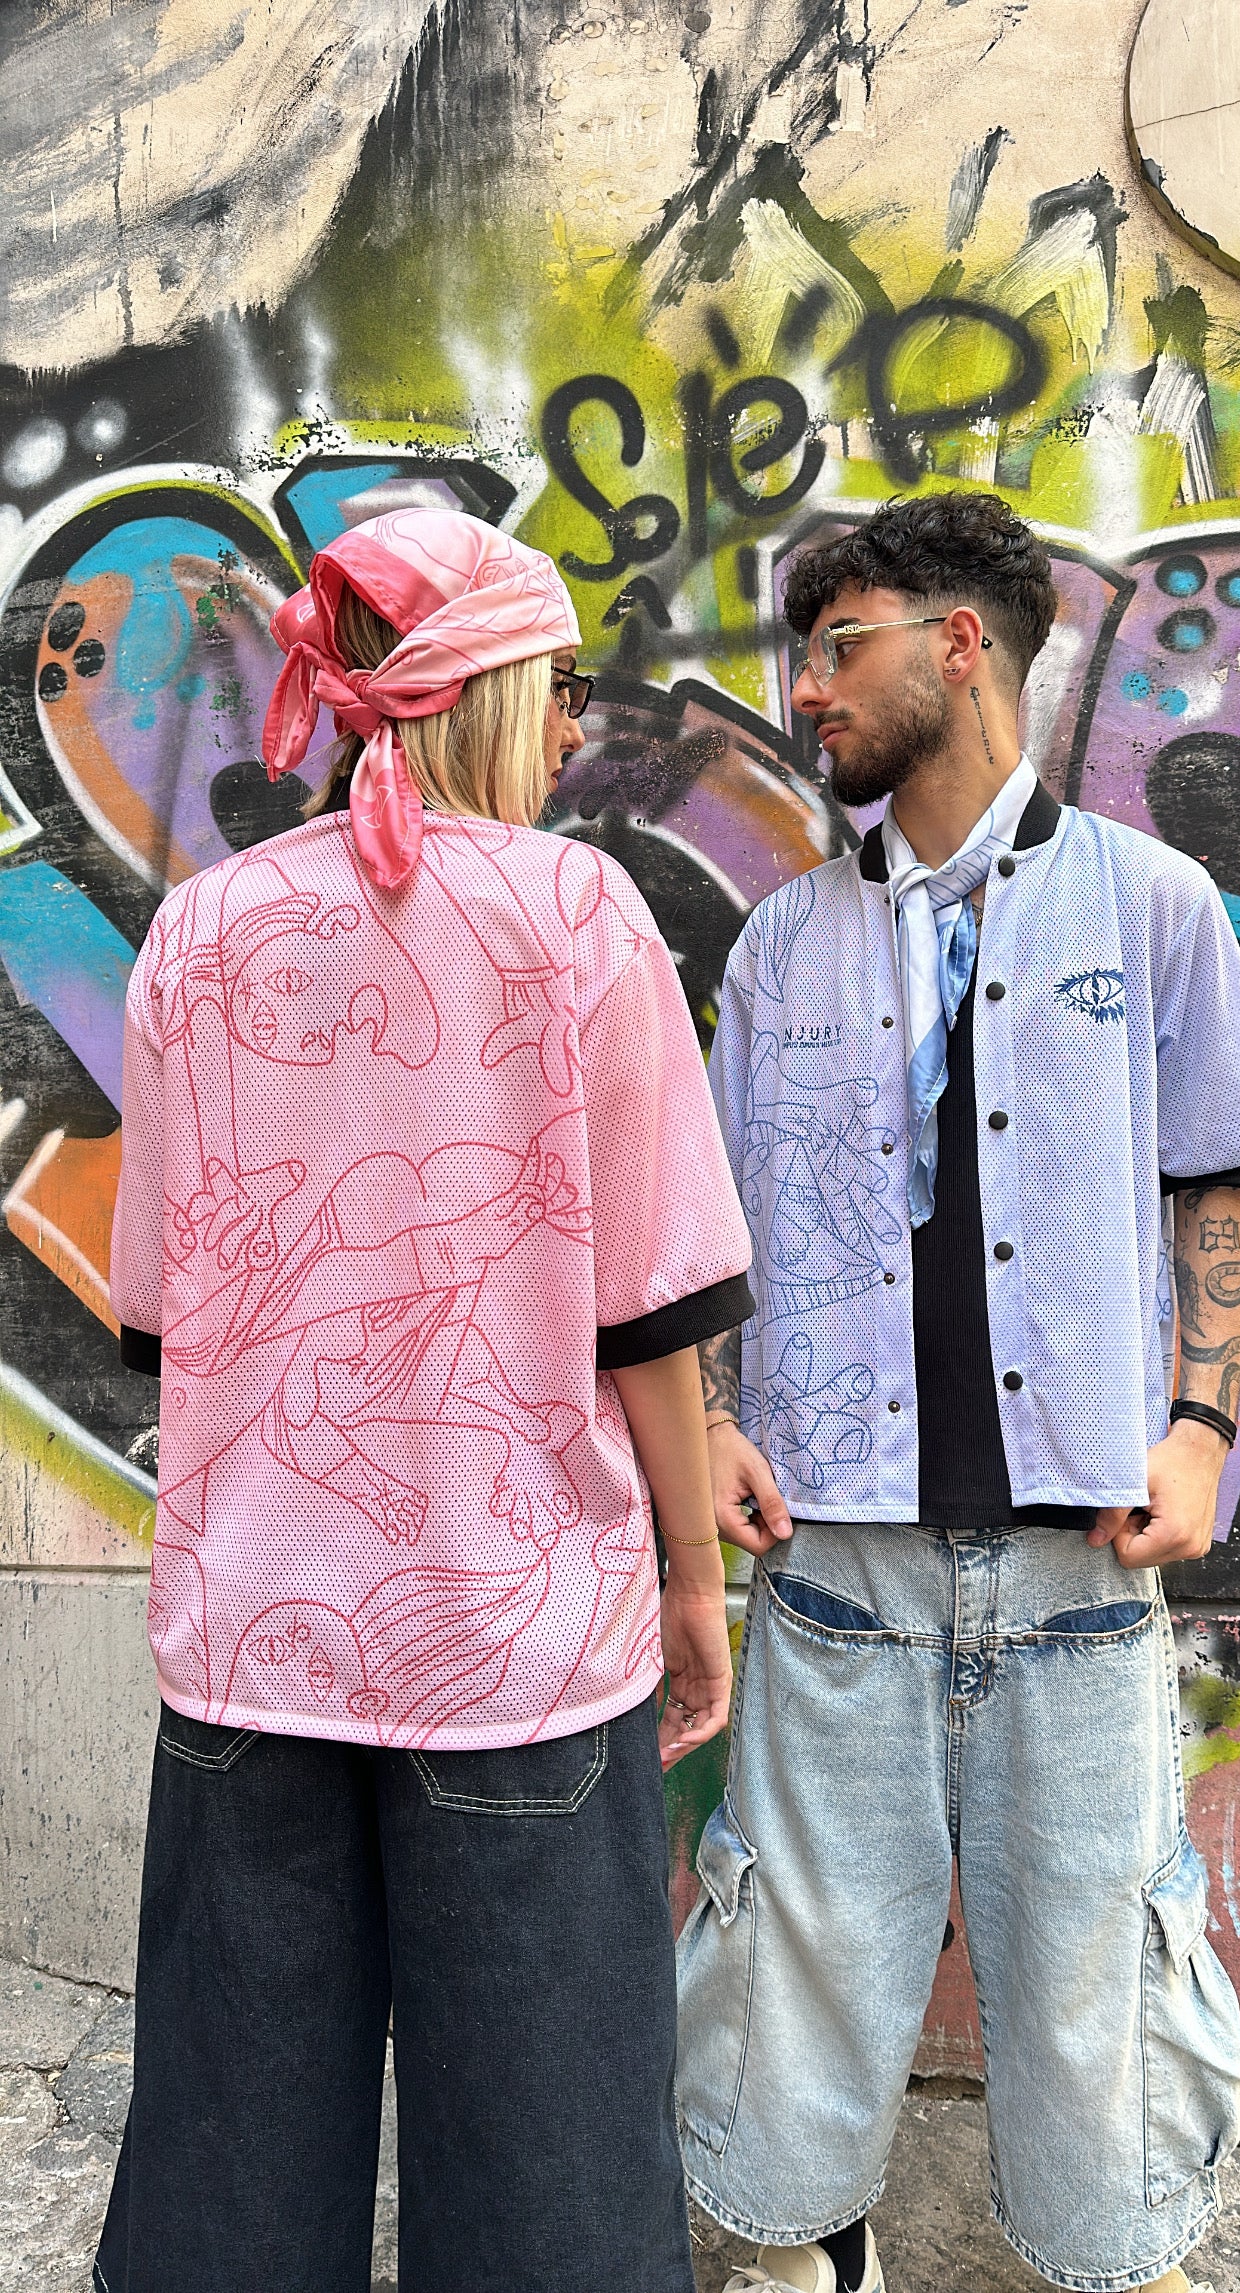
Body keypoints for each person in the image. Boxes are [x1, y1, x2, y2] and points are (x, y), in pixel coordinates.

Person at [98, 507, 753, 2293]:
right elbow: (651, 1307)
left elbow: (164, 1315)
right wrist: (693, 1574)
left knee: (232, 2155)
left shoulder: (198, 929)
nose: (571, 728)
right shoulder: (577, 914)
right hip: (517, 1646)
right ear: (490, 688)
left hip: (251, 1640)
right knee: (550, 2169)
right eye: (560, 687)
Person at [675, 491, 1240, 2293]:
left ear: (959, 644)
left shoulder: (1147, 907)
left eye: (837, 644)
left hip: (1077, 1562)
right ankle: (802, 2246)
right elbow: (711, 1222)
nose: (804, 687)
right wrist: (712, 1413)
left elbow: (1221, 1179)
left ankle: (1113, 2254)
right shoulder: (780, 945)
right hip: (833, 1562)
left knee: (1094, 1958)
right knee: (799, 1943)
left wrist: (1198, 1427)